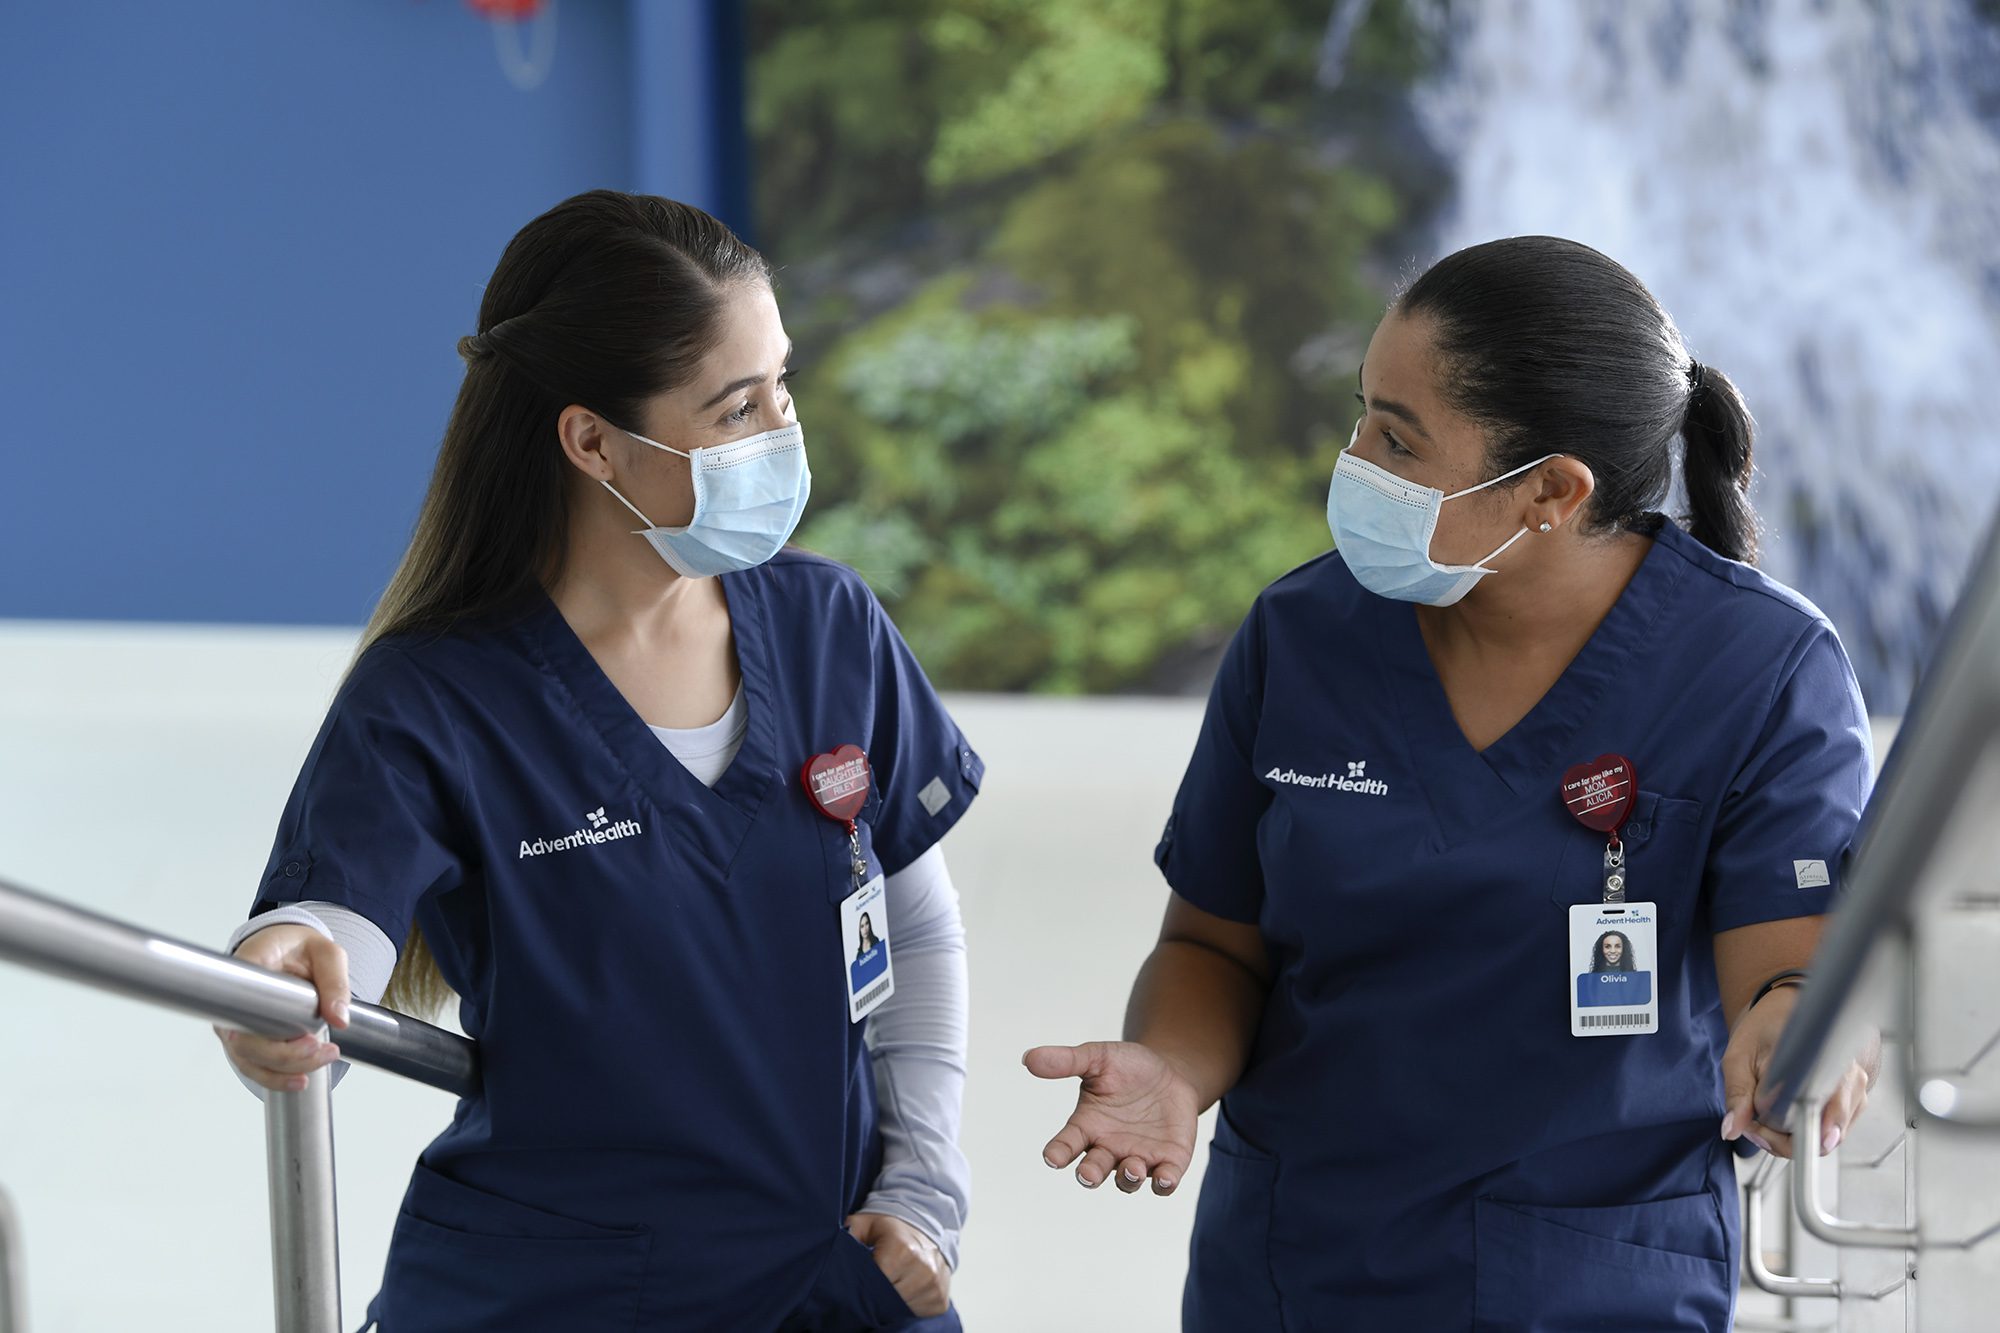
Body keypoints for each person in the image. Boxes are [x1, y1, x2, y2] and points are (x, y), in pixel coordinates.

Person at [1026, 237, 1879, 1329]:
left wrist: (1793, 1036)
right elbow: (1209, 945)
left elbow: (1785, 969)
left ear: (1548, 492)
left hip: (1590, 1277)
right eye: (1359, 415)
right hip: (1299, 1268)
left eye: (1395, 437)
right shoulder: (1302, 635)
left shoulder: (1757, 667)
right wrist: (1170, 1072)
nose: (1352, 460)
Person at [213, 191, 981, 1332]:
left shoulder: (831, 628)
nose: (779, 430)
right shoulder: (437, 696)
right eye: (734, 408)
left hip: (830, 1283)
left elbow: (909, 924)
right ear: (590, 440)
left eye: (783, 385)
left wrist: (923, 1191)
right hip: (555, 1295)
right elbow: (329, 947)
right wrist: (279, 977)